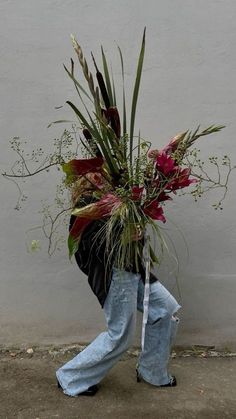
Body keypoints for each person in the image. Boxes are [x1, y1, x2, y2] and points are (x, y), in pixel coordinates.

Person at [56, 175, 181, 397]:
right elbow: (86, 244)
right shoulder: (87, 205)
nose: (100, 175)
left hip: (135, 269)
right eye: (95, 172)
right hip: (113, 274)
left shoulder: (121, 196)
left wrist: (138, 233)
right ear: (86, 177)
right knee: (120, 336)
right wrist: (121, 236)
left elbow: (132, 232)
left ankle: (151, 370)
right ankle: (70, 376)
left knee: (164, 309)